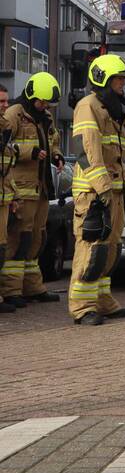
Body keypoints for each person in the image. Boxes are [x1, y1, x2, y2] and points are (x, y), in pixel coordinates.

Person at [67, 54, 125, 326]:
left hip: (114, 191)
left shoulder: (113, 107)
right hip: (94, 194)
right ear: (104, 79)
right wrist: (104, 188)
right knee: (92, 250)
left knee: (111, 248)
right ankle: (82, 307)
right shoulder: (88, 106)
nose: (123, 84)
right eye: (119, 79)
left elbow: (119, 153)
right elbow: (88, 151)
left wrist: (123, 186)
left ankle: (103, 300)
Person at [0, 73, 63, 307]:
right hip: (22, 188)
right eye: (42, 102)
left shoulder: (44, 117)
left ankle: (33, 287)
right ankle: (11, 290)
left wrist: (56, 155)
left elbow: (54, 139)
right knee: (19, 238)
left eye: (47, 103)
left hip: (41, 188)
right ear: (31, 95)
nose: (45, 106)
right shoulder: (14, 114)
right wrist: (31, 153)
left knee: (38, 237)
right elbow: (5, 145)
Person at [0, 85, 17, 314]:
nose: (5, 106)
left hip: (3, 199)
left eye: (5, 101)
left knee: (2, 248)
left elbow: (8, 169)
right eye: (1, 102)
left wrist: (14, 196)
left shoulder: (5, 128)